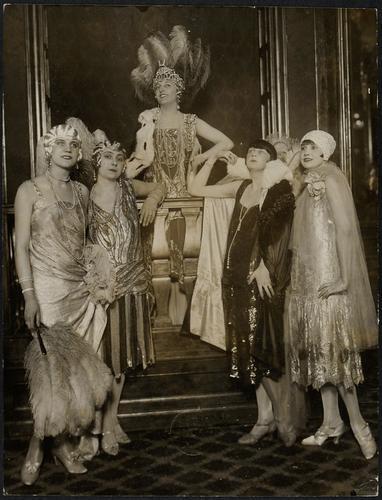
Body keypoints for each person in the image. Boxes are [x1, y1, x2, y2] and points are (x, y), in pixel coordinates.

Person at [14, 124, 113, 485]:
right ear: (47, 149)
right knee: (50, 374)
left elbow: (85, 242)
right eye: (60, 144)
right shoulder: (29, 190)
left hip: (79, 293)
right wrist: (28, 295)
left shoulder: (82, 191)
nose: (68, 149)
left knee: (73, 374)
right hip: (46, 292)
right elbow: (20, 247)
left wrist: (98, 279)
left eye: (74, 145)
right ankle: (37, 448)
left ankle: (59, 445)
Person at [188, 140, 302, 446]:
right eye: (251, 150)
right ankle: (264, 418)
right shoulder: (240, 188)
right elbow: (195, 188)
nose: (253, 153)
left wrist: (265, 264)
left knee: (261, 348)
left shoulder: (277, 190)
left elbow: (281, 234)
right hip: (234, 276)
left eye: (262, 151)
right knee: (247, 349)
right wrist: (212, 157)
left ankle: (282, 418)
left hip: (259, 277)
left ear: (272, 162)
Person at [131, 26, 234, 326]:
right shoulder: (147, 120)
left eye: (167, 85)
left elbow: (226, 142)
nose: (161, 90)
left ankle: (193, 325)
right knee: (155, 264)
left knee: (190, 265)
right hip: (156, 201)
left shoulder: (191, 121)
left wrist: (205, 156)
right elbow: (140, 158)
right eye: (157, 86)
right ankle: (161, 324)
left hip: (190, 201)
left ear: (179, 90)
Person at [285, 130, 378, 459]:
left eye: (313, 147)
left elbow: (345, 228)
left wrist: (343, 277)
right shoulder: (307, 180)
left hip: (329, 280)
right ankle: (331, 422)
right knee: (316, 351)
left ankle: (360, 425)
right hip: (309, 281)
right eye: (304, 146)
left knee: (336, 356)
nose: (306, 151)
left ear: (325, 153)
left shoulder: (332, 179)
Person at [87, 139, 165, 456]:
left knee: (122, 358)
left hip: (132, 282)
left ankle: (111, 420)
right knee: (103, 357)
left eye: (119, 158)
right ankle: (100, 424)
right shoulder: (83, 195)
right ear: (96, 162)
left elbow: (158, 186)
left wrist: (152, 201)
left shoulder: (129, 186)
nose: (114, 162)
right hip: (102, 288)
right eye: (107, 157)